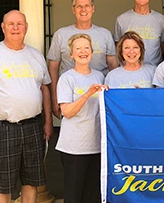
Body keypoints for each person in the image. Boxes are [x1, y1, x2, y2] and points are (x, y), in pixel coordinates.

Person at [0, 10, 52, 203]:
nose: (15, 28)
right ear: (3, 27)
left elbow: (45, 90)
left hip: (33, 127)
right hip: (4, 127)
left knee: (31, 182)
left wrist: (48, 122)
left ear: (26, 27)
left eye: (19, 24)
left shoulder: (36, 55)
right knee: (3, 184)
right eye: (11, 24)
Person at [47, 0, 117, 119]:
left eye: (87, 5)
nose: (83, 9)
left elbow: (113, 66)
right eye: (79, 6)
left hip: (99, 98)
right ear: (73, 9)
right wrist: (55, 98)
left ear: (93, 8)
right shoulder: (61, 34)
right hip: (71, 99)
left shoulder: (105, 34)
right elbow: (53, 68)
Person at [55, 34, 104, 203]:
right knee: (74, 195)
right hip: (74, 147)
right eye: (78, 49)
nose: (83, 52)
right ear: (72, 55)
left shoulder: (100, 76)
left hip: (97, 145)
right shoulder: (67, 78)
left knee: (93, 194)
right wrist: (88, 93)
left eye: (86, 48)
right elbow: (67, 111)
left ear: (92, 51)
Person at [114, 0, 164, 66]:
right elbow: (118, 48)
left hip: (153, 72)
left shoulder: (161, 20)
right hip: (129, 72)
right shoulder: (122, 20)